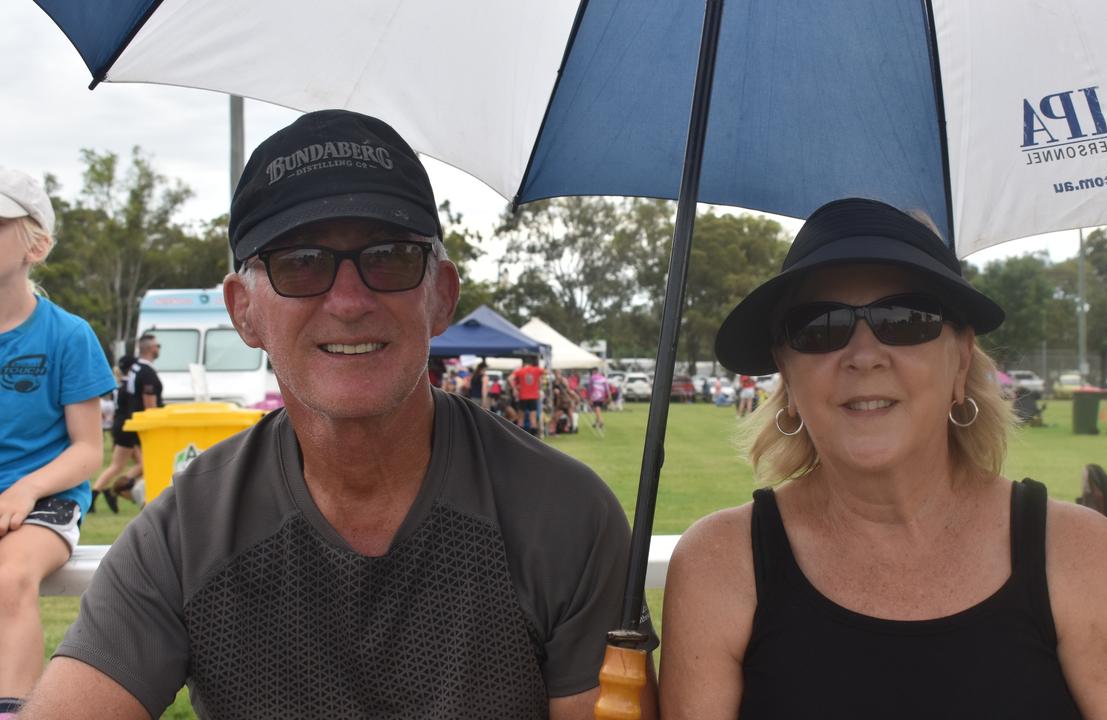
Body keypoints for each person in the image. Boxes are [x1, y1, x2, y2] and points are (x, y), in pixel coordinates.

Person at [24, 110, 654, 719]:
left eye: (390, 258)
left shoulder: (566, 517)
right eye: (301, 263)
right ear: (244, 310)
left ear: (441, 296)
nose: (350, 301)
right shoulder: (189, 533)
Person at [659, 198, 1107, 718]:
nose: (863, 354)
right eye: (820, 326)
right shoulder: (720, 565)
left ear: (962, 359)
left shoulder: (1079, 555)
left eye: (904, 319)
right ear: (786, 376)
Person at [0, 167, 116, 719]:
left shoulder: (68, 335)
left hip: (46, 498)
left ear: (36, 245)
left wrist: (25, 490)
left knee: (9, 578)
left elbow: (88, 451)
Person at [89, 354, 141, 513]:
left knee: (140, 464)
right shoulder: (130, 386)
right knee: (118, 466)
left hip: (120, 425)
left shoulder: (119, 386)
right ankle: (109, 490)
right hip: (126, 427)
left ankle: (115, 491)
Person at [510, 355, 546, 435]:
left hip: (522, 396)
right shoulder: (536, 370)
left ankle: (520, 435)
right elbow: (546, 372)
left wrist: (514, 389)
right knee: (532, 418)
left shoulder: (520, 370)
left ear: (524, 363)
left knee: (521, 418)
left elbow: (510, 378)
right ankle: (534, 436)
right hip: (533, 397)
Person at [586, 368, 610, 432]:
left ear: (594, 371)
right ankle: (595, 423)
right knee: (598, 409)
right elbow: (607, 388)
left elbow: (590, 388)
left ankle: (601, 421)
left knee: (596, 409)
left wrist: (589, 397)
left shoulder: (592, 378)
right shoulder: (603, 378)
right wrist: (608, 396)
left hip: (595, 395)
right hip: (602, 396)